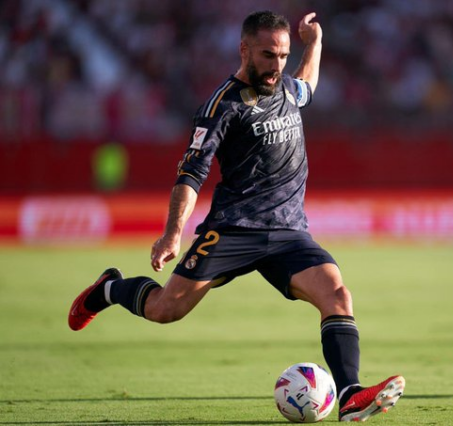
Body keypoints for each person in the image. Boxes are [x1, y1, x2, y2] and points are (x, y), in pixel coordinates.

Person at [68, 10, 404, 422]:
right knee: (163, 309)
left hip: (288, 231)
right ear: (244, 49)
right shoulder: (220, 106)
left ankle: (351, 392)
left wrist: (313, 44)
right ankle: (109, 289)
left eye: (282, 55)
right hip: (233, 230)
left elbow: (308, 86)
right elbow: (191, 175)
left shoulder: (285, 87)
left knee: (337, 296)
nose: (277, 65)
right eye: (268, 55)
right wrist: (173, 234)